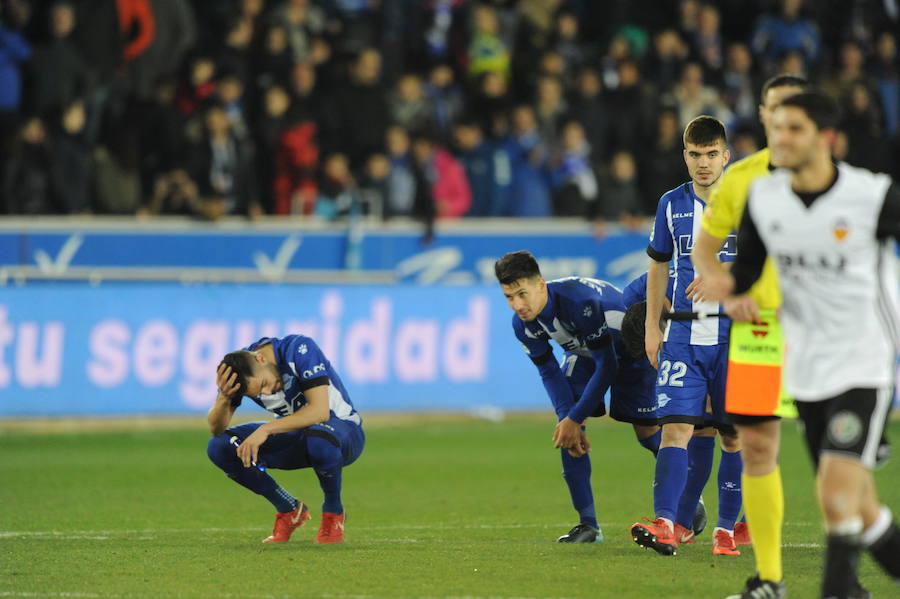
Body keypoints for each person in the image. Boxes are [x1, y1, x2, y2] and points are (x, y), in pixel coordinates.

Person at [701, 91, 900, 599]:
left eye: (794, 129)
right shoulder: (764, 198)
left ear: (824, 138)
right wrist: (727, 288)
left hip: (864, 360)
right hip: (805, 367)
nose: (781, 138)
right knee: (862, 511)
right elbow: (745, 270)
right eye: (776, 126)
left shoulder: (872, 196)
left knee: (835, 498)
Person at [690, 73, 808, 599]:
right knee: (756, 446)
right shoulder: (742, 179)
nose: (782, 120)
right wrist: (729, 289)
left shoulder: (847, 181)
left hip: (822, 334)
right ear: (762, 115)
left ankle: (849, 566)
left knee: (833, 456)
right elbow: (704, 249)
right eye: (774, 109)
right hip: (760, 331)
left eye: (793, 110)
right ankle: (770, 579)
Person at [629, 115, 744, 557]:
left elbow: (766, 262)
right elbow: (657, 262)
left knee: (731, 434)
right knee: (676, 427)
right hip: (681, 333)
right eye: (695, 155)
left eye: (711, 154)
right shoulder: (669, 204)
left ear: (725, 156)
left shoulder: (747, 202)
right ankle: (666, 523)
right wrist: (652, 325)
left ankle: (725, 531)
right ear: (685, 156)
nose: (703, 163)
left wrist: (722, 273)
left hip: (733, 334)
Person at [495, 250, 660, 543]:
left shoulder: (578, 303)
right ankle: (589, 526)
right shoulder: (523, 324)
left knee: (646, 432)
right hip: (587, 354)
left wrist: (575, 416)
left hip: (631, 351)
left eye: (522, 293)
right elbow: (548, 372)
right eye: (509, 297)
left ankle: (687, 499)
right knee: (566, 432)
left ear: (541, 284)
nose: (517, 305)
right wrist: (567, 417)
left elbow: (608, 365)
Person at [206, 334, 364, 544]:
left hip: (342, 432)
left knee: (318, 437)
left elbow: (319, 412)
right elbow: (216, 428)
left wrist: (266, 430)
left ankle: (333, 513)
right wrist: (223, 398)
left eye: (264, 384)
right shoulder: (242, 368)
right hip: (296, 436)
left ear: (261, 358)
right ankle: (288, 509)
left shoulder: (299, 350)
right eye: (259, 392)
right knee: (220, 447)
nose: (267, 392)